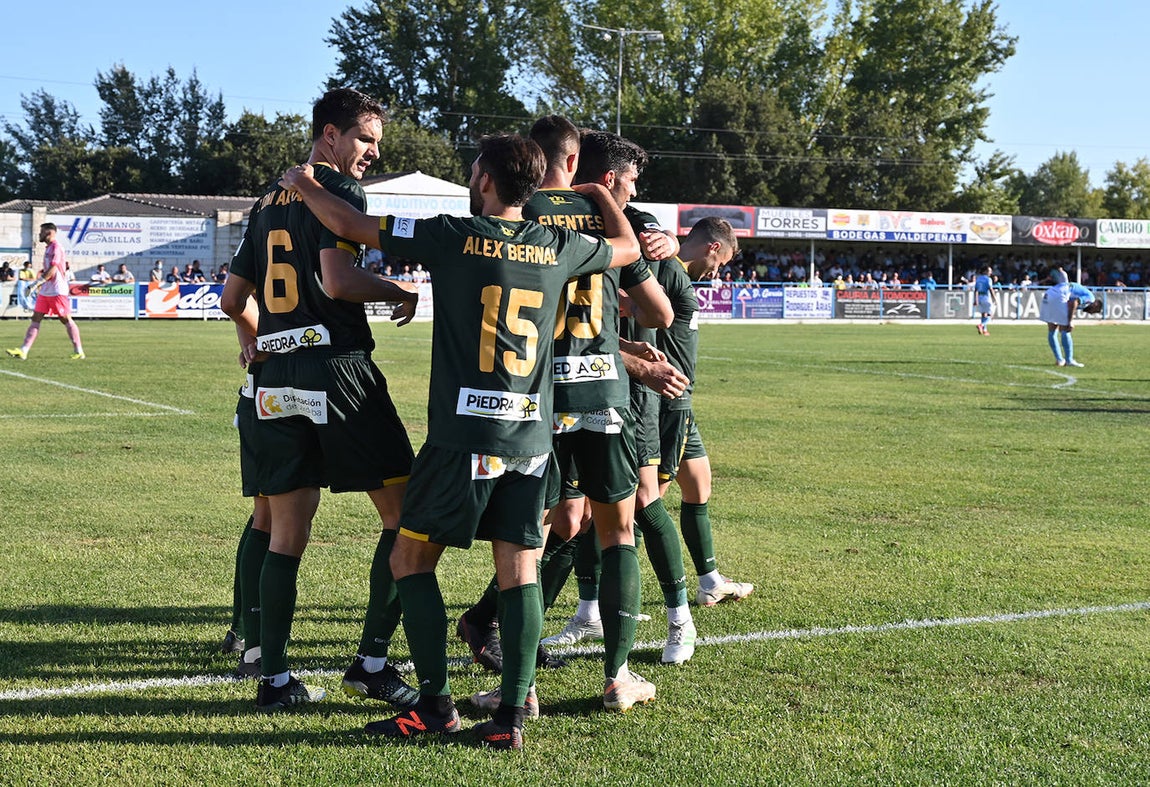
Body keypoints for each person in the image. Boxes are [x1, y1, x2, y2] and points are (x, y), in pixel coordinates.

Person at [281, 131, 641, 750]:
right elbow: (627, 247)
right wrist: (604, 198)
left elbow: (349, 223)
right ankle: (510, 719)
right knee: (519, 569)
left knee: (409, 561)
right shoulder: (556, 244)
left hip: (464, 437)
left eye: (474, 171)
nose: (471, 179)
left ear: (487, 180)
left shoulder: (452, 235)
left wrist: (303, 183)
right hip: (531, 439)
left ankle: (436, 707)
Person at [219, 88, 421, 712]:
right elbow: (337, 281)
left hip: (276, 378)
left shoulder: (266, 201)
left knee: (283, 531)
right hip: (337, 370)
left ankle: (274, 677)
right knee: (406, 517)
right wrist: (399, 291)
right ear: (330, 135)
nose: (373, 152)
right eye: (366, 138)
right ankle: (372, 664)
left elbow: (232, 300)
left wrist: (257, 341)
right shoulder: (339, 192)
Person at [6, 223, 85, 360]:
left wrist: (35, 284)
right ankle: (23, 351)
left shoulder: (57, 247)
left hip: (57, 290)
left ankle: (79, 351)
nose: (39, 235)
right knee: (35, 318)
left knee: (65, 319)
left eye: (42, 232)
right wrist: (40, 284)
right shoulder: (48, 248)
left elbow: (53, 269)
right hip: (46, 290)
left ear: (49, 233)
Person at [1039, 268, 1103, 367]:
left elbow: (1070, 304)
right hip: (1060, 295)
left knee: (1052, 329)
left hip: (1049, 294)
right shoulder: (1091, 298)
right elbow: (1074, 303)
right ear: (1096, 305)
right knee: (1066, 329)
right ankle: (1069, 360)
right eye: (1094, 312)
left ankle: (1060, 360)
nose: (1091, 313)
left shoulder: (1081, 293)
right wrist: (1070, 321)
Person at [973, 265, 997, 335]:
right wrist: (995, 298)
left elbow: (976, 290)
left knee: (983, 314)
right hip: (986, 297)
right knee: (991, 314)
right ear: (985, 271)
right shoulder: (988, 279)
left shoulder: (978, 278)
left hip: (980, 297)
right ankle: (981, 325)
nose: (991, 272)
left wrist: (976, 300)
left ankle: (984, 330)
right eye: (989, 271)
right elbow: (990, 289)